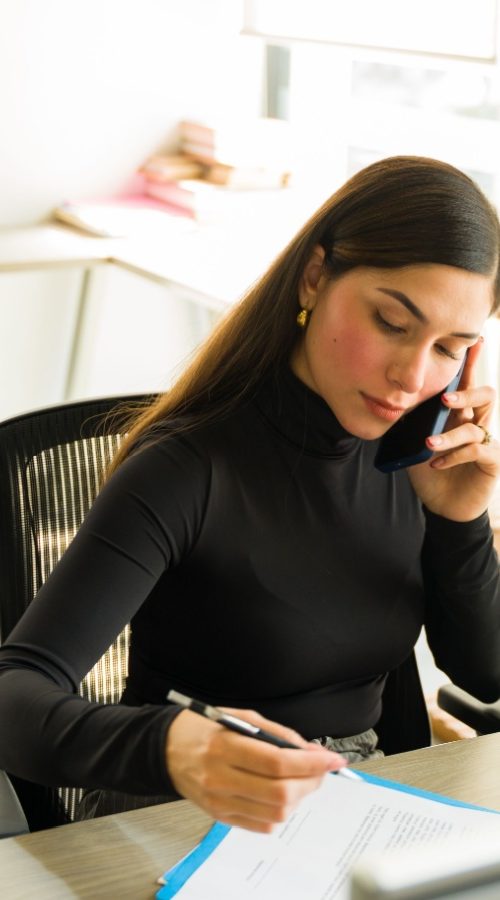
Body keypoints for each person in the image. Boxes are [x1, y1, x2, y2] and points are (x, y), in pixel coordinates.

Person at [1, 156, 500, 835]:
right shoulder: (185, 469)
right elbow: (15, 694)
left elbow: (487, 675)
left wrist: (460, 520)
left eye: (451, 347)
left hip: (364, 808)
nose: (412, 376)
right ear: (316, 275)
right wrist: (168, 742)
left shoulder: (414, 462)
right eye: (391, 322)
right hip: (186, 812)